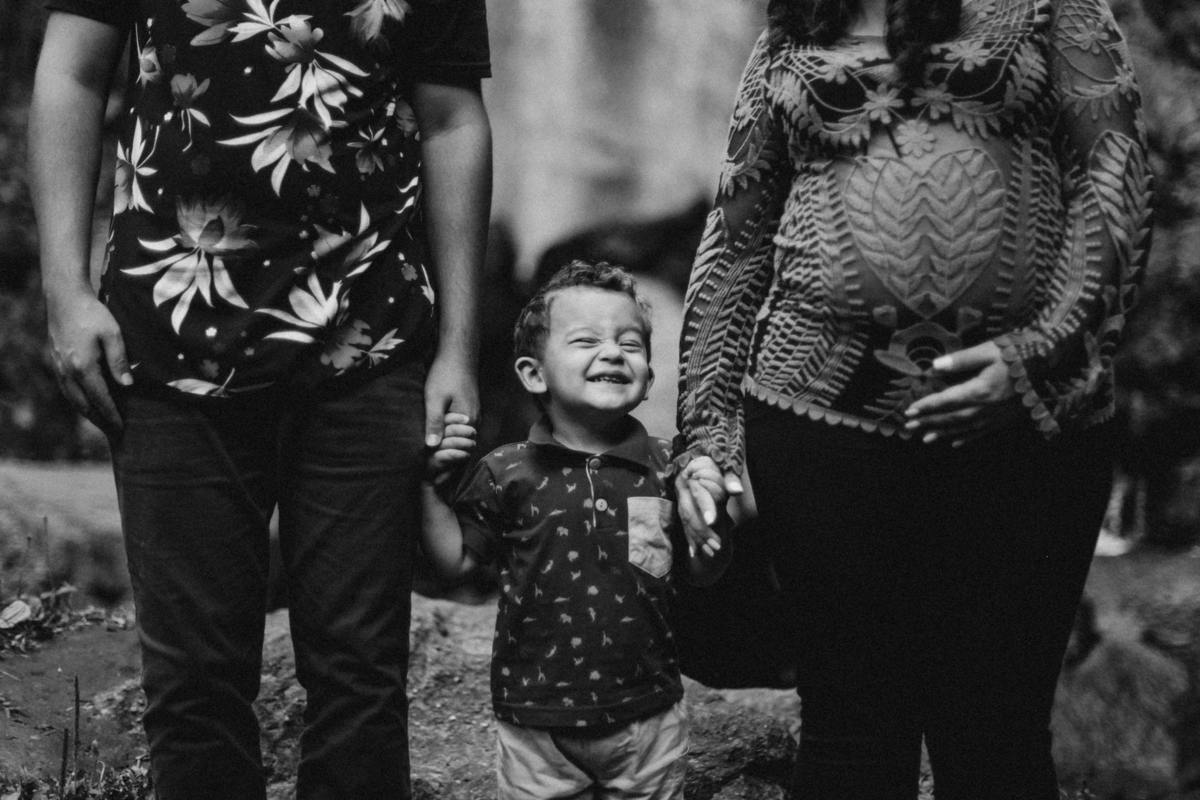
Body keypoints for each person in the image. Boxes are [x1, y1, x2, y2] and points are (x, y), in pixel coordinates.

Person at [673, 0, 1153, 797]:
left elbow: (1115, 175)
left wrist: (1039, 356)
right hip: (819, 430)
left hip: (1025, 427)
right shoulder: (794, 30)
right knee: (848, 735)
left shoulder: (1052, 8)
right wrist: (703, 437)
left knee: (996, 739)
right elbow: (735, 236)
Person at [27, 0, 492, 797]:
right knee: (193, 687)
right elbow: (70, 73)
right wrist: (64, 293)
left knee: (361, 679)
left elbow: (453, 120)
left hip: (368, 342)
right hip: (168, 344)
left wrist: (458, 350)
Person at [421, 261, 730, 800]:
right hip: (535, 721)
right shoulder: (506, 471)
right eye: (586, 341)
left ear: (649, 379)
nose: (613, 353)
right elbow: (458, 563)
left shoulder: (667, 467)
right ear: (534, 374)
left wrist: (712, 515)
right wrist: (429, 489)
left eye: (630, 345)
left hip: (647, 715)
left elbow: (704, 571)